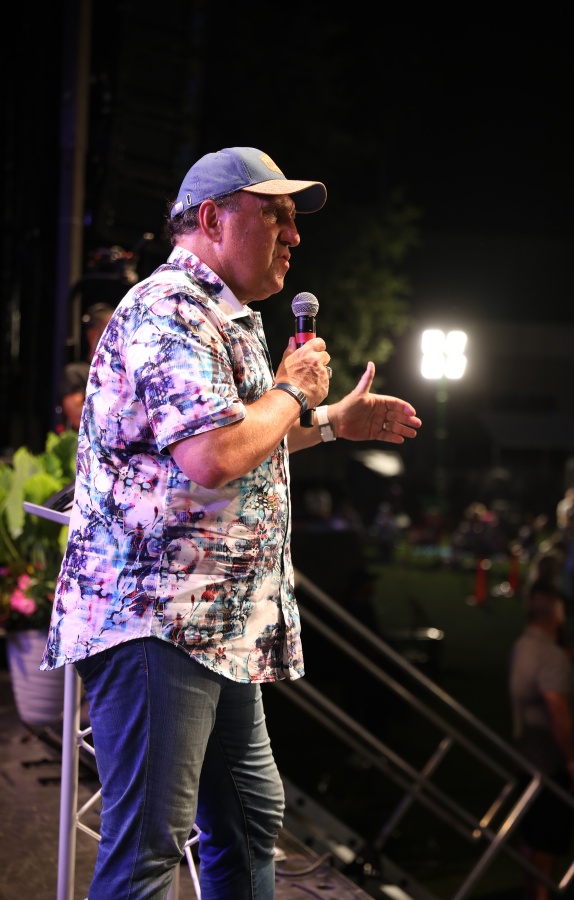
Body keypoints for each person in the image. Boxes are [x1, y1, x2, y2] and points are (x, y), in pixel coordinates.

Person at [40, 146, 422, 900]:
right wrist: (293, 391)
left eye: (293, 219)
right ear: (213, 219)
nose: (294, 234)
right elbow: (213, 455)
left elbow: (241, 434)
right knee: (150, 848)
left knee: (249, 822)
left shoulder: (225, 316)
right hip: (156, 621)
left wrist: (331, 422)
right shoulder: (168, 310)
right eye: (276, 215)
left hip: (212, 627)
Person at [508, 579, 574, 900]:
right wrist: (573, 761)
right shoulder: (551, 656)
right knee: (546, 847)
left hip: (526, 759)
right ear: (558, 614)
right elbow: (557, 707)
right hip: (551, 765)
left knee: (531, 842)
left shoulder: (522, 646)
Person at [58, 302, 115, 430]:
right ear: (92, 334)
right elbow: (78, 418)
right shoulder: (76, 373)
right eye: (112, 331)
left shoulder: (124, 372)